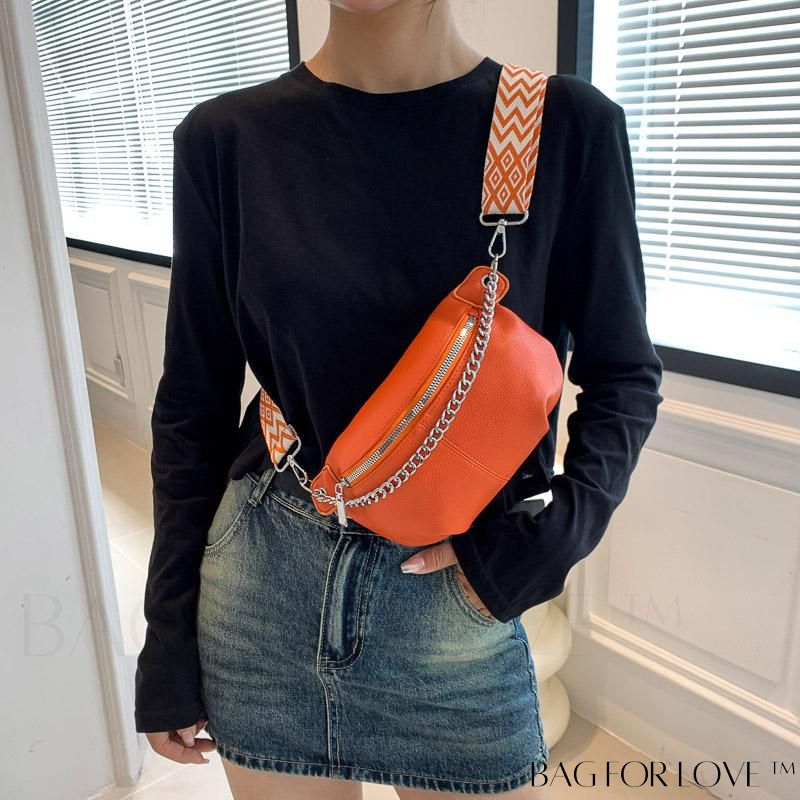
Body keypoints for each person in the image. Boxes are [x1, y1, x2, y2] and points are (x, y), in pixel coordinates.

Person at [133, 0, 664, 797]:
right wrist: (168, 636)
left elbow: (624, 375)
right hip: (262, 592)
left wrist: (541, 547)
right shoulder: (225, 138)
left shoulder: (560, 125)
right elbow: (192, 404)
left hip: (455, 603)